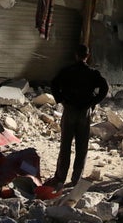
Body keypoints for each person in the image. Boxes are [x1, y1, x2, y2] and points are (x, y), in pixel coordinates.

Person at [46, 44, 108, 190]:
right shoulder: (92, 73)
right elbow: (105, 88)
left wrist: (61, 99)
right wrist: (93, 102)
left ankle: (60, 177)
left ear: (76, 55)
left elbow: (54, 83)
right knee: (82, 147)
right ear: (88, 56)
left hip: (70, 110)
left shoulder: (67, 71)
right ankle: (75, 179)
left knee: (65, 145)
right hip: (84, 112)